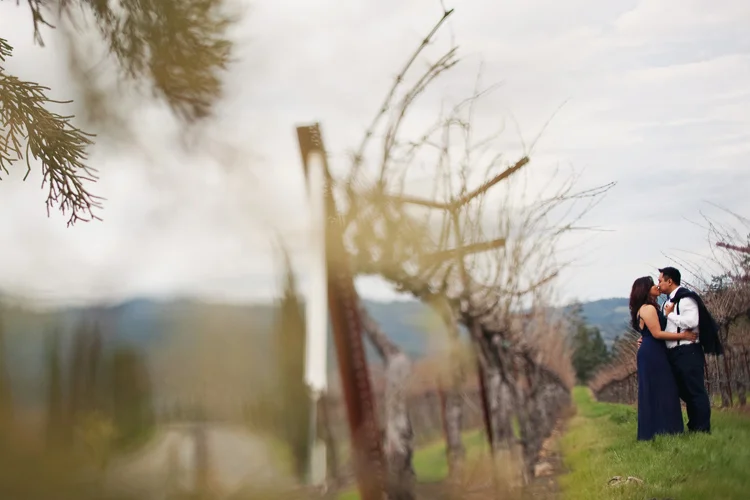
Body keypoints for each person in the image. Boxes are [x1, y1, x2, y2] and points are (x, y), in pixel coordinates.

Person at [630, 276, 697, 441]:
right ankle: (664, 430)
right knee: (664, 388)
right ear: (646, 289)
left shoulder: (648, 307)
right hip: (653, 352)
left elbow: (650, 332)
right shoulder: (648, 308)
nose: (657, 286)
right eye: (653, 284)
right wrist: (684, 336)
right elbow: (657, 334)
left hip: (653, 350)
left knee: (660, 389)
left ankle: (660, 430)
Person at [658, 266, 723, 433]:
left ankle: (702, 428)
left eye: (660, 280)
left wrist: (670, 315)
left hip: (688, 351)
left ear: (669, 281)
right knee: (683, 391)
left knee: (695, 390)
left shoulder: (686, 299)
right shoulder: (666, 303)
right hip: (672, 353)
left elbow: (692, 322)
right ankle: (694, 424)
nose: (658, 284)